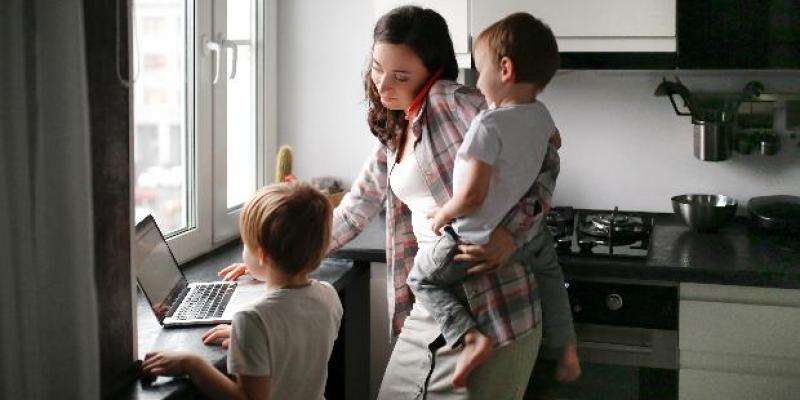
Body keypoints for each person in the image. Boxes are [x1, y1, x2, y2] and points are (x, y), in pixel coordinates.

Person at [222, 6, 579, 398]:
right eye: (377, 68)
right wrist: (272, 256)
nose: (382, 84)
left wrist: (511, 236)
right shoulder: (397, 130)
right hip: (431, 304)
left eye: (401, 75)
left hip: (495, 308)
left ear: (433, 72)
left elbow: (545, 154)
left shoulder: (454, 101)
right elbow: (356, 209)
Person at [405, 11, 579, 388]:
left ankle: (470, 338)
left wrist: (443, 215)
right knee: (551, 274)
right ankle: (567, 347)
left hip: (472, 237)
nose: (476, 81)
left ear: (504, 69)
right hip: (525, 237)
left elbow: (471, 196)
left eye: (480, 69)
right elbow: (554, 146)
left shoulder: (486, 123)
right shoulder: (542, 114)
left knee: (422, 278)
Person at [142, 182, 343, 400]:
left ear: (263, 255)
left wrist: (192, 363)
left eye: (245, 243)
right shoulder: (329, 296)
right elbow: (293, 340)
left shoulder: (252, 320)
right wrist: (248, 341)